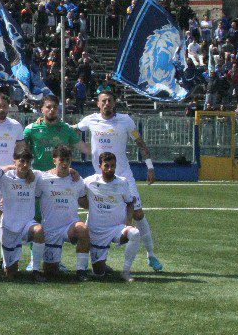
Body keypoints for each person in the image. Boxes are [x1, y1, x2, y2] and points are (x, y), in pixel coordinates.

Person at [74, 91, 162, 271]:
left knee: (138, 214)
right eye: (103, 101)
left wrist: (150, 166)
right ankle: (94, 256)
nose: (107, 103)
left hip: (124, 176)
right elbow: (71, 130)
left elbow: (140, 143)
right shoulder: (90, 120)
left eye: (110, 101)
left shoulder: (126, 120)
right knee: (97, 211)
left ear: (114, 103)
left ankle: (151, 255)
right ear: (98, 104)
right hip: (101, 177)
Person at [81, 152, 142, 282]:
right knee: (98, 274)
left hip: (116, 229)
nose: (110, 169)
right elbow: (76, 187)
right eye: (106, 166)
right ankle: (101, 265)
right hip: (96, 231)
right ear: (99, 166)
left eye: (113, 166)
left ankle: (126, 272)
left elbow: (130, 202)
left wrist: (128, 222)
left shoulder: (122, 182)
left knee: (135, 233)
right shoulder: (89, 181)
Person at [36, 145, 89, 283]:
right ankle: (53, 263)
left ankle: (81, 271)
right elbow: (32, 197)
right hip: (50, 230)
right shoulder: (43, 179)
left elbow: (84, 202)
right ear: (54, 160)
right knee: (51, 272)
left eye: (67, 160)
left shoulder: (77, 180)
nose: (65, 164)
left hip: (70, 227)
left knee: (82, 229)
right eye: (61, 160)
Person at [0, 149, 45, 279]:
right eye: (21, 161)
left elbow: (53, 173)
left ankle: (36, 270)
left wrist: (72, 171)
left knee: (39, 230)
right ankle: (8, 265)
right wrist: (10, 167)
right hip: (9, 226)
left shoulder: (36, 176)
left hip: (27, 224)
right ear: (14, 161)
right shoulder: (4, 177)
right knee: (11, 274)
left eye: (28, 162)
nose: (25, 165)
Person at [22, 94, 81, 173]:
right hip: (38, 176)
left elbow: (84, 147)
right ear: (41, 109)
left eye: (55, 107)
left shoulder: (66, 128)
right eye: (48, 107)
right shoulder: (30, 129)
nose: (52, 109)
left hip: (59, 176)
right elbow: (21, 152)